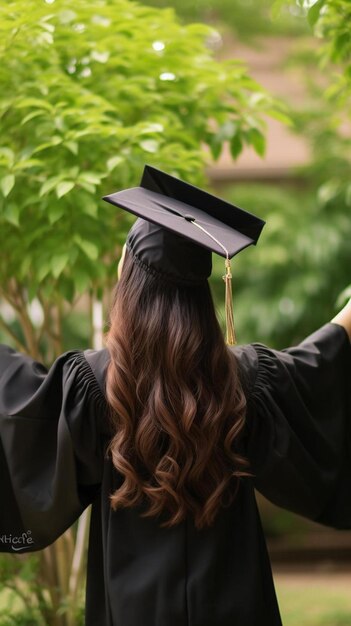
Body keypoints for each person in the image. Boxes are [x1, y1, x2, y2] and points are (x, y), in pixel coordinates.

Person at [0, 166, 351, 626]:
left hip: (131, 609)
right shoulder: (245, 380)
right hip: (235, 604)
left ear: (129, 281)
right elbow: (323, 363)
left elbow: (19, 414)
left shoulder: (95, 384)